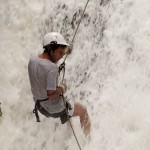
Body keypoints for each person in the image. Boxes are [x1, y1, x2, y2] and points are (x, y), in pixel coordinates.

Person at [28, 32, 91, 136]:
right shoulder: (52, 68)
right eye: (60, 52)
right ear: (49, 48)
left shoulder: (33, 59)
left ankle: (68, 135)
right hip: (53, 108)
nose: (62, 57)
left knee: (69, 108)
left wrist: (65, 50)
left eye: (63, 53)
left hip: (39, 106)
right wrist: (62, 88)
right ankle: (89, 141)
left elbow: (46, 65)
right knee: (83, 111)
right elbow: (51, 95)